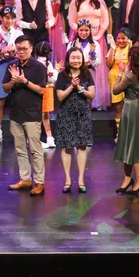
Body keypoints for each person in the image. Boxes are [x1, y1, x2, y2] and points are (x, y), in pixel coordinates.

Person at [3, 36, 47, 195]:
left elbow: (41, 90)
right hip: (15, 113)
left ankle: (39, 182)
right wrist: (13, 81)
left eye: (24, 49)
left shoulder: (38, 67)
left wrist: (24, 81)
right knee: (20, 148)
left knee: (35, 150)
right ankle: (25, 178)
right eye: (18, 49)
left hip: (32, 114)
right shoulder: (12, 65)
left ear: (31, 49)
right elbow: (5, 88)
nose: (21, 52)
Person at [54, 47, 95, 193]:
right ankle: (67, 180)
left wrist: (80, 88)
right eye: (73, 57)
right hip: (66, 115)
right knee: (66, 147)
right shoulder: (62, 76)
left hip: (82, 114)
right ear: (68, 59)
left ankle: (81, 180)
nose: (76, 60)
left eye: (79, 58)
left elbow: (92, 95)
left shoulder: (87, 74)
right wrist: (72, 86)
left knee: (82, 146)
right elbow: (60, 97)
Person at [112, 44, 139, 194]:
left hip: (130, 109)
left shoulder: (129, 75)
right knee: (128, 142)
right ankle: (128, 178)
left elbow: (116, 90)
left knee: (132, 144)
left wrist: (120, 73)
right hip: (138, 106)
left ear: (130, 58)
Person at [0, 6, 23, 145]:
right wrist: (0, 53)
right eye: (7, 18)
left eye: (12, 18)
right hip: (1, 66)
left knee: (18, 99)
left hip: (15, 66)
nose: (10, 21)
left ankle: (21, 130)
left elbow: (24, 50)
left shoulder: (18, 33)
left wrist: (15, 53)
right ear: (1, 18)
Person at [105, 27, 131, 141]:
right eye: (118, 38)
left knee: (128, 106)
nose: (120, 41)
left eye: (123, 38)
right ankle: (120, 134)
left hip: (127, 78)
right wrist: (112, 49)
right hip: (115, 78)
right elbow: (108, 64)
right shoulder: (114, 49)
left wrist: (131, 48)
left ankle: (129, 134)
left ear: (128, 39)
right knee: (118, 107)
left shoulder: (131, 49)